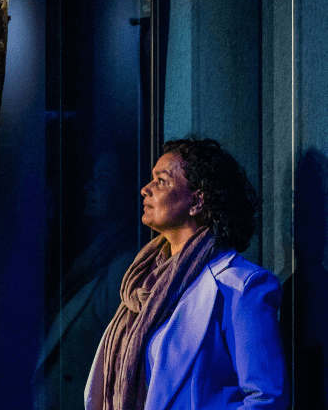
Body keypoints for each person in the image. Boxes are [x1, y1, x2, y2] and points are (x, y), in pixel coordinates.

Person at [85, 137, 288, 409]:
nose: (146, 189)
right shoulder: (142, 286)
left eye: (161, 181)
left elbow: (267, 399)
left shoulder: (241, 285)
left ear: (197, 201)